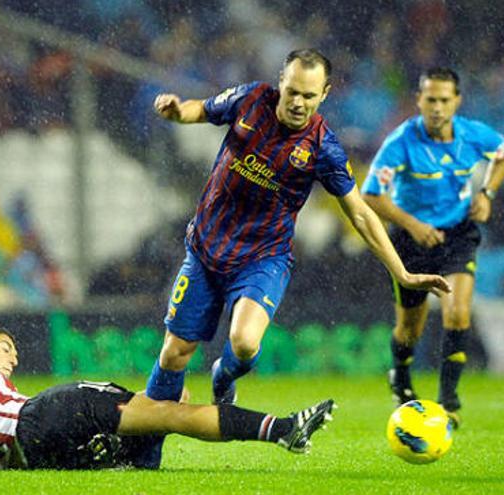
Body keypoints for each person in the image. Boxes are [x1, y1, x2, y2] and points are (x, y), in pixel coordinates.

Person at [143, 48, 450, 463]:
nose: (297, 103)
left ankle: (224, 374)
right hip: (205, 251)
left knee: (245, 343)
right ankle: (144, 452)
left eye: (308, 95)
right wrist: (177, 111)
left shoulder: (323, 147)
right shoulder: (250, 100)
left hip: (262, 259)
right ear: (280, 83)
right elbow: (200, 109)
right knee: (174, 353)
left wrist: (403, 272)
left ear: (324, 93)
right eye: (291, 92)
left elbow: (359, 212)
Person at [0, 328, 336, 470]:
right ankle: (282, 429)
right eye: (6, 347)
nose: (13, 358)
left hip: (43, 456)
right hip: (43, 417)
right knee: (166, 410)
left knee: (157, 427)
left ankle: (167, 398)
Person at [361, 67, 504, 428]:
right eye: (430, 99)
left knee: (457, 313)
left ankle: (448, 399)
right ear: (419, 100)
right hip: (411, 242)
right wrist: (413, 225)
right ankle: (400, 373)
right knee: (410, 329)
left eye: (445, 100)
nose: (437, 107)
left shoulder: (473, 134)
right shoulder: (401, 141)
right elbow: (370, 194)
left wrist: (487, 193)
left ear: (457, 101)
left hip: (458, 235)